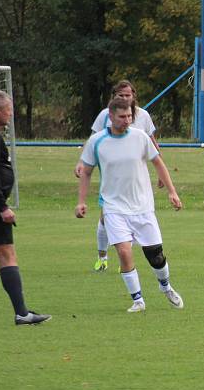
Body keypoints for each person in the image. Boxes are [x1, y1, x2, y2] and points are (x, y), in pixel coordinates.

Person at [75, 96, 184, 313]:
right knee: (124, 252)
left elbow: (158, 162)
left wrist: (172, 192)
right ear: (111, 116)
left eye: (129, 116)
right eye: (122, 117)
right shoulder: (97, 142)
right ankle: (138, 300)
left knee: (156, 256)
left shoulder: (140, 137)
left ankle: (166, 287)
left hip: (142, 206)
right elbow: (86, 171)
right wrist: (81, 202)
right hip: (114, 207)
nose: (127, 120)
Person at [0, 91, 51, 325]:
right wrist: (2, 207)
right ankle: (22, 313)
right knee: (7, 256)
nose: (11, 114)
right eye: (8, 110)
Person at [74, 80, 162, 272]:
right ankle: (103, 256)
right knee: (106, 216)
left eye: (127, 95)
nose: (124, 98)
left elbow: (153, 143)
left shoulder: (143, 116)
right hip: (113, 177)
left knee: (125, 220)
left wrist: (161, 172)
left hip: (136, 178)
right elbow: (93, 140)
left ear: (133, 96)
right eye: (120, 95)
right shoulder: (106, 115)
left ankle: (127, 253)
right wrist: (81, 162)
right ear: (114, 97)